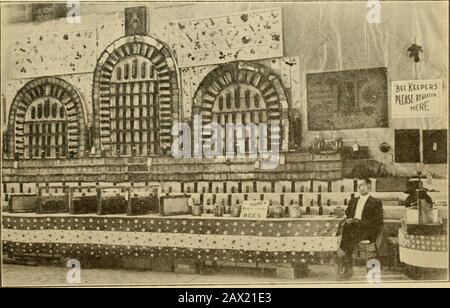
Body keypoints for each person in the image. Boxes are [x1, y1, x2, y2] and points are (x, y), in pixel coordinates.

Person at [337, 178, 384, 279]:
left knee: (347, 236)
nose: (360, 188)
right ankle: (347, 268)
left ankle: (348, 264)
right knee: (343, 231)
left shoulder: (376, 202)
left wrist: (358, 222)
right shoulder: (353, 201)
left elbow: (377, 221)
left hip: (367, 230)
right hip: (353, 229)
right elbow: (348, 215)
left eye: (362, 185)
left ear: (369, 186)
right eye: (358, 186)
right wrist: (346, 218)